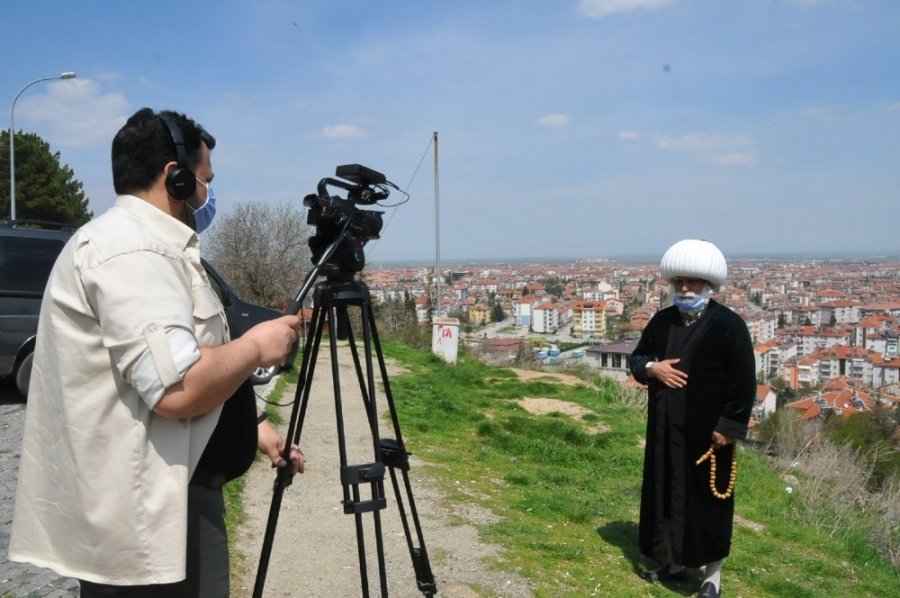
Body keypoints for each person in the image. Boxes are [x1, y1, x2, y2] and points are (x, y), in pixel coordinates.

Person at [9, 108, 305, 597]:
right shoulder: (131, 251)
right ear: (177, 176)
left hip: (177, 493)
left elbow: (167, 363)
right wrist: (256, 347)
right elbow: (177, 387)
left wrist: (249, 421)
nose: (209, 194)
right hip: (150, 516)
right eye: (205, 179)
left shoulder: (153, 248)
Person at [629, 239, 756, 598]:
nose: (685, 288)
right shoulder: (661, 321)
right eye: (680, 282)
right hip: (664, 431)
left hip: (708, 436)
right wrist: (654, 369)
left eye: (693, 282)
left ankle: (711, 577)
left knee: (708, 505)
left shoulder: (729, 326)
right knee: (665, 496)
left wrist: (728, 428)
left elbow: (743, 383)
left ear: (708, 285)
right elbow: (636, 360)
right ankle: (673, 562)